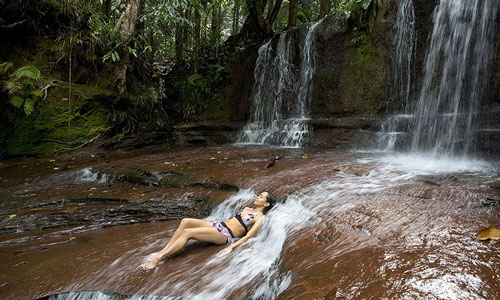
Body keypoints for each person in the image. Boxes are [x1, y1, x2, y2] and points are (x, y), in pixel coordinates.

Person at [141, 191, 277, 270]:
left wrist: (231, 248)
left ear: (265, 204)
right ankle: (164, 251)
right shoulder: (248, 209)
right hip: (219, 225)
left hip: (225, 235)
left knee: (188, 233)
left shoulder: (259, 218)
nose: (257, 197)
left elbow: (248, 236)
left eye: (260, 197)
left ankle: (159, 258)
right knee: (185, 221)